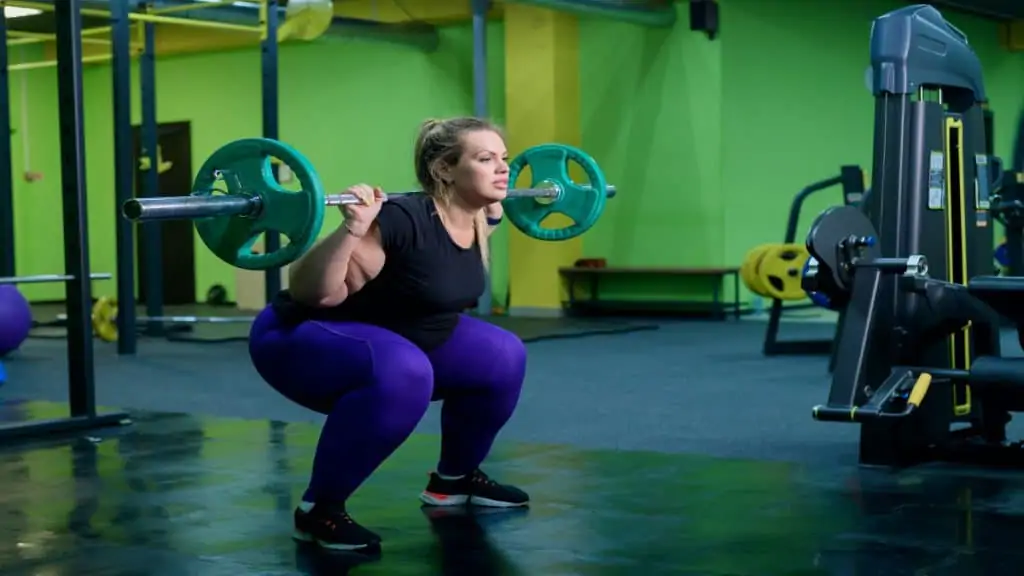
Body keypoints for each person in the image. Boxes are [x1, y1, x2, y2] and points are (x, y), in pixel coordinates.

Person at [248, 116, 530, 552]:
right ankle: (319, 510)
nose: (503, 169)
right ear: (444, 170)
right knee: (405, 370)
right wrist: (352, 228)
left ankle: (453, 480)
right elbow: (314, 294)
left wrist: (491, 206)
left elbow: (477, 227)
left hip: (401, 332)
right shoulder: (401, 220)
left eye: (504, 159)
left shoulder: (476, 216)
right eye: (486, 158)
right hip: (305, 335)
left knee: (503, 354)